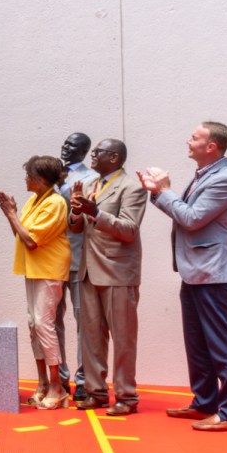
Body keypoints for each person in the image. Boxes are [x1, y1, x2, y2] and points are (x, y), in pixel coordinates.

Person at [137, 122, 227, 431]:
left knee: (224, 346)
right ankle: (205, 403)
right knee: (197, 344)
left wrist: (165, 191)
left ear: (211, 146)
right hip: (196, 271)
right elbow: (185, 212)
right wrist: (158, 194)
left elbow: (192, 218)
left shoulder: (224, 179)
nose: (188, 140)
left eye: (195, 137)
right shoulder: (207, 174)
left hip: (214, 273)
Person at [70, 139, 147, 416]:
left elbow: (128, 229)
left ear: (113, 158)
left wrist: (96, 212)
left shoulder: (132, 187)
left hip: (117, 272)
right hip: (89, 271)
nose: (93, 155)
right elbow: (78, 228)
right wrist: (77, 210)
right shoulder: (91, 185)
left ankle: (126, 396)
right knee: (91, 337)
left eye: (98, 152)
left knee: (124, 339)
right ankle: (96, 392)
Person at [0, 156, 71, 409]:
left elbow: (31, 240)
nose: (26, 179)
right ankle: (42, 384)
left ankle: (57, 387)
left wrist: (12, 213)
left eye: (29, 175)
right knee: (33, 325)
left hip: (49, 269)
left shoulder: (56, 202)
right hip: (33, 268)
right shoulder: (33, 200)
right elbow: (20, 233)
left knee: (44, 323)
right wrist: (11, 216)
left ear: (40, 179)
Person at [57, 132, 99, 401]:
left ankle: (83, 379)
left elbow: (87, 216)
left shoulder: (90, 178)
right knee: (51, 321)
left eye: (72, 146)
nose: (65, 148)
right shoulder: (51, 172)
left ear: (83, 151)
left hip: (76, 257)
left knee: (83, 320)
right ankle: (59, 376)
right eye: (64, 143)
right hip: (48, 259)